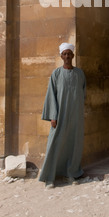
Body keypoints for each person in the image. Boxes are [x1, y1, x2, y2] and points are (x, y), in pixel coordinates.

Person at [39, 43, 86, 188]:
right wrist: (53, 116)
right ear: (61, 56)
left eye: (69, 54)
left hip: (76, 116)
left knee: (74, 144)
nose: (67, 56)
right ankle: (49, 177)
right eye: (64, 54)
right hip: (60, 116)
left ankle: (70, 174)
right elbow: (51, 96)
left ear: (72, 55)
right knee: (55, 143)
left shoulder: (79, 74)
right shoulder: (56, 74)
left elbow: (83, 94)